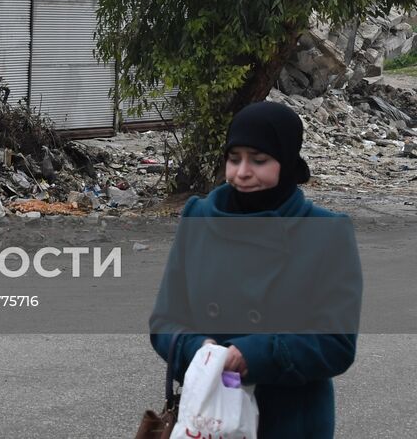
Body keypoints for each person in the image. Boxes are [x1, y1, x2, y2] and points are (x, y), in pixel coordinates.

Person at [149, 101, 361, 438]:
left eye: (259, 161)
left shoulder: (327, 232)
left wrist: (256, 355)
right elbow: (164, 321)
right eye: (234, 159)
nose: (242, 173)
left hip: (290, 422)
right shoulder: (199, 218)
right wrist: (198, 349)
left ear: (287, 162)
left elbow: (336, 343)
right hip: (208, 417)